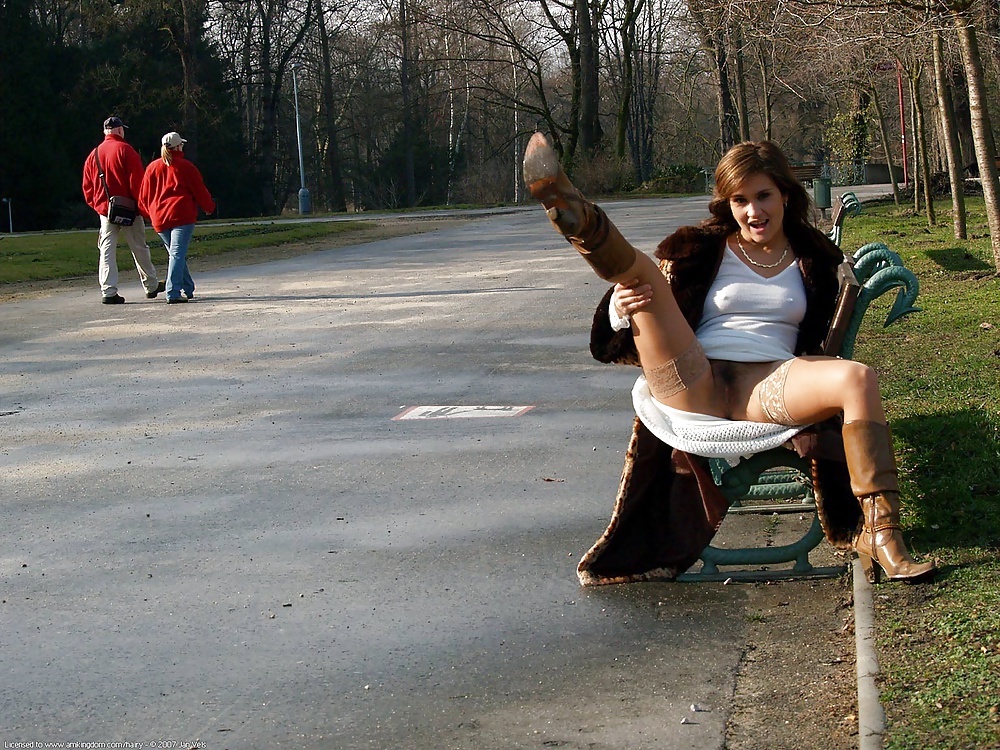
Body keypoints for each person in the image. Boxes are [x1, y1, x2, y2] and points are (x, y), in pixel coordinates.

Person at [522, 132, 936, 585]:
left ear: (784, 194)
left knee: (858, 378)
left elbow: (818, 344)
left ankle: (883, 536)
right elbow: (622, 334)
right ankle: (579, 219)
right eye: (740, 200)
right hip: (692, 376)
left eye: (763, 197)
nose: (753, 212)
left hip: (767, 383)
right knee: (644, 276)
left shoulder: (815, 256)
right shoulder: (697, 249)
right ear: (727, 202)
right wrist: (619, 310)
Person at [81, 116, 165, 304]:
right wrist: (143, 208)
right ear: (120, 130)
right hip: (130, 210)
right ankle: (151, 285)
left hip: (106, 210)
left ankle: (108, 290)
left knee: (107, 249)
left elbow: (87, 188)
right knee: (139, 247)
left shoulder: (93, 155)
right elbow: (138, 184)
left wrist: (98, 206)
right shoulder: (126, 150)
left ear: (105, 132)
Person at [138, 132, 215, 303]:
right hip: (182, 216)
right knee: (177, 254)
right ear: (179, 147)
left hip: (159, 218)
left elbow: (143, 197)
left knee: (175, 253)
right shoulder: (186, 166)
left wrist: (149, 214)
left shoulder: (152, 167)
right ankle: (173, 292)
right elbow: (199, 190)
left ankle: (188, 287)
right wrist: (209, 207)